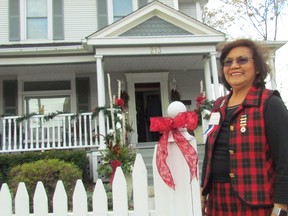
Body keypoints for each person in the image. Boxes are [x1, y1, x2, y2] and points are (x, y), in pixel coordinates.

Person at [201, 39, 288, 216]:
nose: (234, 66)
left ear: (257, 68)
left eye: (242, 60)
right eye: (228, 62)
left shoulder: (269, 102)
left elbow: (286, 158)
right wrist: (204, 190)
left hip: (257, 204)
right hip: (218, 201)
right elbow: (210, 151)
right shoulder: (218, 106)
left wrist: (282, 205)